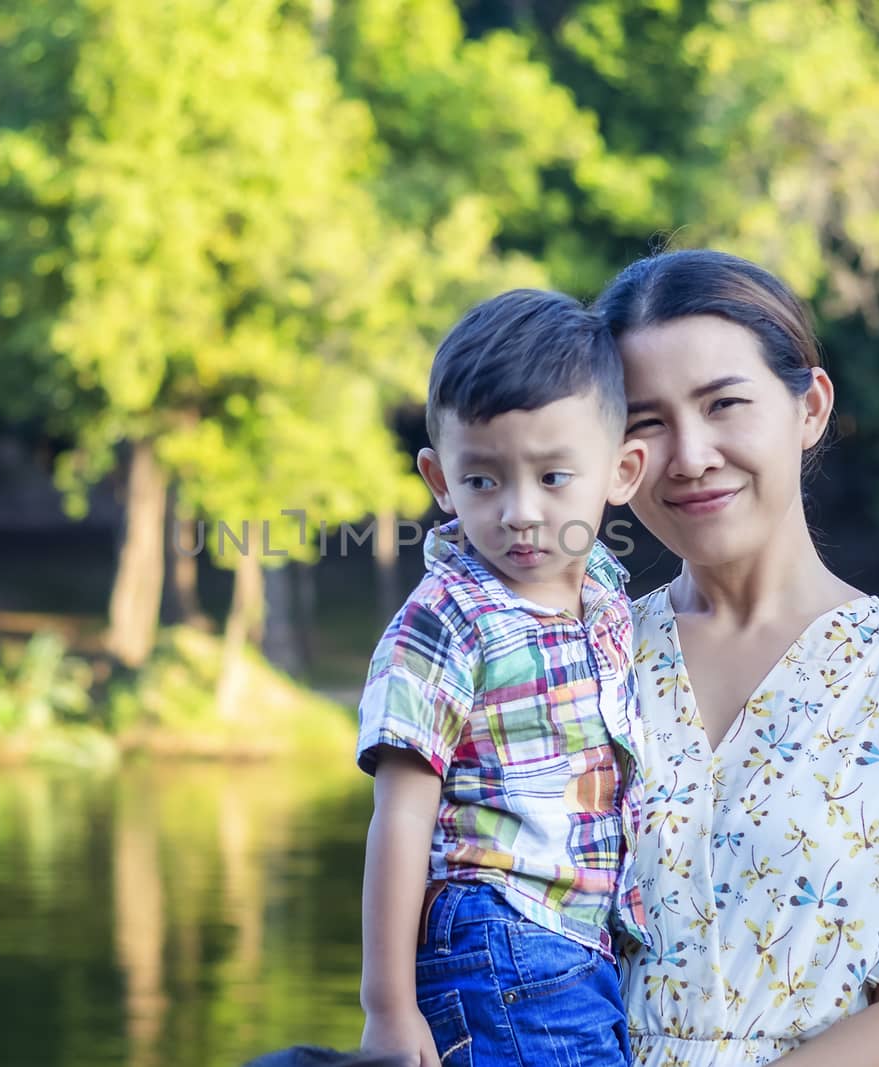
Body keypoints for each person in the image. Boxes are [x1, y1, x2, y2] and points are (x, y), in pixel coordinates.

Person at [593, 249, 879, 1067]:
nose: (691, 454)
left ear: (809, 408)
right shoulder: (581, 658)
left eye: (723, 404)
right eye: (647, 419)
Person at [355, 289, 651, 1067]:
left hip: (579, 949)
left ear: (620, 472)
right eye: (483, 480)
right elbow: (401, 817)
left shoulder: (609, 601)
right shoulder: (450, 617)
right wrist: (387, 1007)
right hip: (502, 938)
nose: (520, 511)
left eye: (553, 477)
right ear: (440, 479)